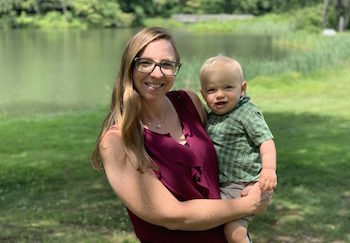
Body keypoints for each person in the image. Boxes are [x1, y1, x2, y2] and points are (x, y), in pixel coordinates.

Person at [91, 27, 272, 243]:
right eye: (145, 63)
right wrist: (248, 204)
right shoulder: (118, 141)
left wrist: (251, 182)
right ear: (130, 67)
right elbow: (172, 215)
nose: (157, 73)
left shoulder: (190, 102)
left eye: (167, 64)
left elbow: (230, 148)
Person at [199, 56, 277, 243]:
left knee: (234, 230)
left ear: (242, 89)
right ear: (203, 95)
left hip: (241, 184)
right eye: (212, 90)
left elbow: (266, 141)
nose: (219, 95)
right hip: (222, 184)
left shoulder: (247, 113)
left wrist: (268, 170)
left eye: (227, 87)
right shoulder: (212, 117)